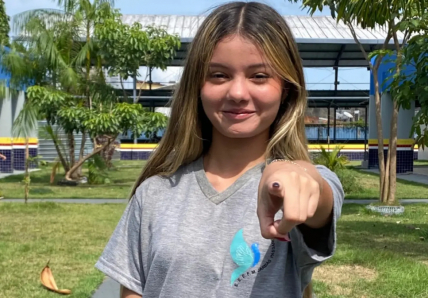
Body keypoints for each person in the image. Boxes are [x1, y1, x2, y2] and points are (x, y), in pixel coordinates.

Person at [95, 2, 344, 298]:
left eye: (259, 76)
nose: (237, 93)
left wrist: (285, 170)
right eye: (218, 75)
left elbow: (316, 194)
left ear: (286, 88)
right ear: (197, 87)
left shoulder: (298, 187)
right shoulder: (154, 194)